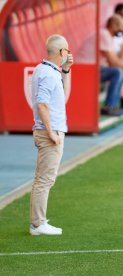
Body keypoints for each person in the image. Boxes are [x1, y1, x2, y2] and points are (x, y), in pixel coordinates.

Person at [30, 34, 73, 235]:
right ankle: (38, 224)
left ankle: (38, 221)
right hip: (50, 131)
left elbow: (60, 97)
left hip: (51, 129)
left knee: (44, 178)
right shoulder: (47, 73)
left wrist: (66, 71)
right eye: (67, 50)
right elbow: (42, 104)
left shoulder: (48, 70)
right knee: (44, 179)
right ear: (61, 52)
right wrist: (51, 133)